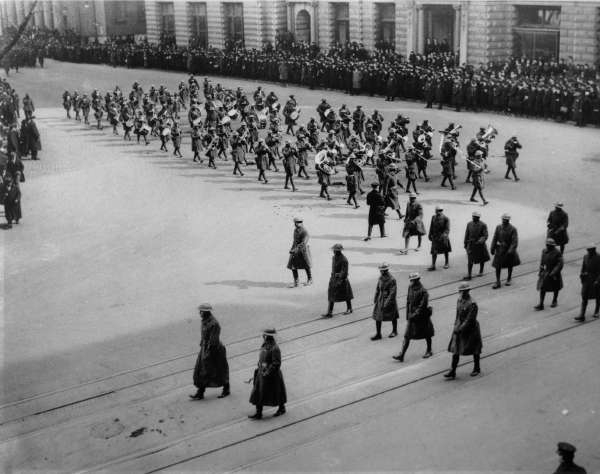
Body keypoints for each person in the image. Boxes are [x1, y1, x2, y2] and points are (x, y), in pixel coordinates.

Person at [190, 304, 230, 400]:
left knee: (218, 371)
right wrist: (202, 345)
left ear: (206, 312)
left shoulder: (214, 323)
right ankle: (200, 392)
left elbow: (213, 340)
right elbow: (204, 336)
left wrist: (207, 353)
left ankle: (226, 389)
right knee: (201, 370)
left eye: (201, 311)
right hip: (205, 348)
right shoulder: (205, 321)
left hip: (214, 350)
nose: (200, 313)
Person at [444, 283, 482, 379]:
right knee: (456, 350)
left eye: (462, 291)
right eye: (460, 291)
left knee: (475, 349)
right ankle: (453, 370)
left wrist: (460, 329)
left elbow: (470, 319)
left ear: (466, 291)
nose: (460, 293)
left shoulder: (472, 303)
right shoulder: (459, 300)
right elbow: (458, 315)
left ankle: (476, 368)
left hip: (471, 330)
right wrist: (456, 326)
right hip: (460, 328)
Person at [393, 273, 433, 362]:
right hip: (412, 315)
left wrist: (414, 314)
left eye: (413, 280)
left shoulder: (423, 291)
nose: (411, 281)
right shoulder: (410, 287)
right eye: (411, 280)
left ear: (418, 280)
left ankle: (429, 350)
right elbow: (408, 301)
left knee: (427, 334)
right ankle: (401, 354)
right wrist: (408, 315)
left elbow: (422, 306)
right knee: (407, 335)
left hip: (422, 316)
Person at [249, 328, 287, 419]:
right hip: (261, 373)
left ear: (268, 336)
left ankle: (281, 408)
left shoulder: (275, 348)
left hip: (271, 376)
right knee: (258, 392)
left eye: (264, 335)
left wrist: (267, 372)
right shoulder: (265, 345)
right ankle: (259, 413)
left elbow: (276, 364)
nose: (263, 336)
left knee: (276, 392)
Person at [322, 244, 354, 318]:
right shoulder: (334, 258)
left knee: (346, 295)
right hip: (333, 279)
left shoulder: (344, 259)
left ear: (338, 251)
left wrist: (339, 276)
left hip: (342, 280)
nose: (333, 251)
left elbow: (344, 272)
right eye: (334, 250)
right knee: (331, 295)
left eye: (335, 250)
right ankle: (329, 312)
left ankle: (349, 308)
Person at [491, 214, 521, 289]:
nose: (504, 221)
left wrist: (510, 250)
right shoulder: (498, 227)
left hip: (509, 250)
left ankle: (509, 278)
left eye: (506, 220)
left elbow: (515, 241)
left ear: (508, 220)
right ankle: (498, 281)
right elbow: (495, 238)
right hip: (500, 249)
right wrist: (492, 248)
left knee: (510, 264)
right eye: (503, 219)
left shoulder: (513, 229)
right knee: (497, 266)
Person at [371, 262, 399, 340]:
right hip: (380, 299)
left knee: (393, 316)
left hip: (389, 300)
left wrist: (387, 303)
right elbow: (378, 288)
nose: (381, 272)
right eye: (381, 270)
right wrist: (376, 297)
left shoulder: (392, 279)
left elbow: (392, 293)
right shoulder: (380, 278)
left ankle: (394, 331)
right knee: (377, 316)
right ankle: (378, 334)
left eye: (382, 270)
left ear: (386, 270)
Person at [534, 238, 564, 310]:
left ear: (553, 246)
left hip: (554, 273)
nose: (548, 246)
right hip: (546, 272)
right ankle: (541, 303)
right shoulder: (544, 251)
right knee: (542, 287)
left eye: (549, 245)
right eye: (547, 245)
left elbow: (560, 264)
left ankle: (554, 300)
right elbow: (542, 262)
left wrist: (553, 272)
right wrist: (541, 271)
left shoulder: (557, 252)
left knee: (556, 287)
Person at [575, 244, 600, 322]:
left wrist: (598, 280)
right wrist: (582, 275)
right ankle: (582, 315)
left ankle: (597, 311)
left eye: (590, 250)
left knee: (598, 296)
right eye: (588, 250)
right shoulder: (585, 256)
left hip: (596, 279)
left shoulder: (599, 257)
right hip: (587, 279)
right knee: (584, 296)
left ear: (594, 249)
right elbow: (583, 268)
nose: (588, 251)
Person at [463, 211, 490, 280]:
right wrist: (465, 243)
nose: (474, 218)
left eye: (475, 217)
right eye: (473, 216)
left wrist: (480, 241)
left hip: (479, 245)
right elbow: (467, 234)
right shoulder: (469, 224)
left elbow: (485, 235)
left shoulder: (483, 225)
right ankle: (469, 274)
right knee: (470, 260)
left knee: (481, 258)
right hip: (471, 244)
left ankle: (481, 271)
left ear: (478, 218)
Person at [287, 217, 312, 287]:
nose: (298, 224)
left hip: (303, 251)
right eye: (296, 222)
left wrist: (296, 249)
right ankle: (296, 281)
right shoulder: (295, 230)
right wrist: (292, 248)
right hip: (295, 251)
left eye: (299, 222)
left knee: (306, 265)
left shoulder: (304, 231)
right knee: (293, 266)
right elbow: (294, 241)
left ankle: (310, 279)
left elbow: (304, 242)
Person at [428, 205, 451, 270]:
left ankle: (447, 263)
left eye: (440, 211)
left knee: (445, 250)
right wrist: (430, 234)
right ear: (435, 211)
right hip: (435, 237)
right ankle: (433, 265)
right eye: (438, 211)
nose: (439, 212)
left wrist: (444, 236)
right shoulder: (433, 217)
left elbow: (447, 229)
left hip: (443, 237)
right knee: (434, 251)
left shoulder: (446, 218)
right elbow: (431, 226)